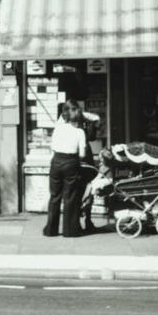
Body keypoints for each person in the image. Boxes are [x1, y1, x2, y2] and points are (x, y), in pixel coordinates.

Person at [43, 99, 86, 238]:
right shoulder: (80, 132)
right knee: (70, 197)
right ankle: (70, 231)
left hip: (56, 162)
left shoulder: (58, 128)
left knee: (55, 196)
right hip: (71, 162)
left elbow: (52, 146)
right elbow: (82, 154)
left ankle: (51, 230)